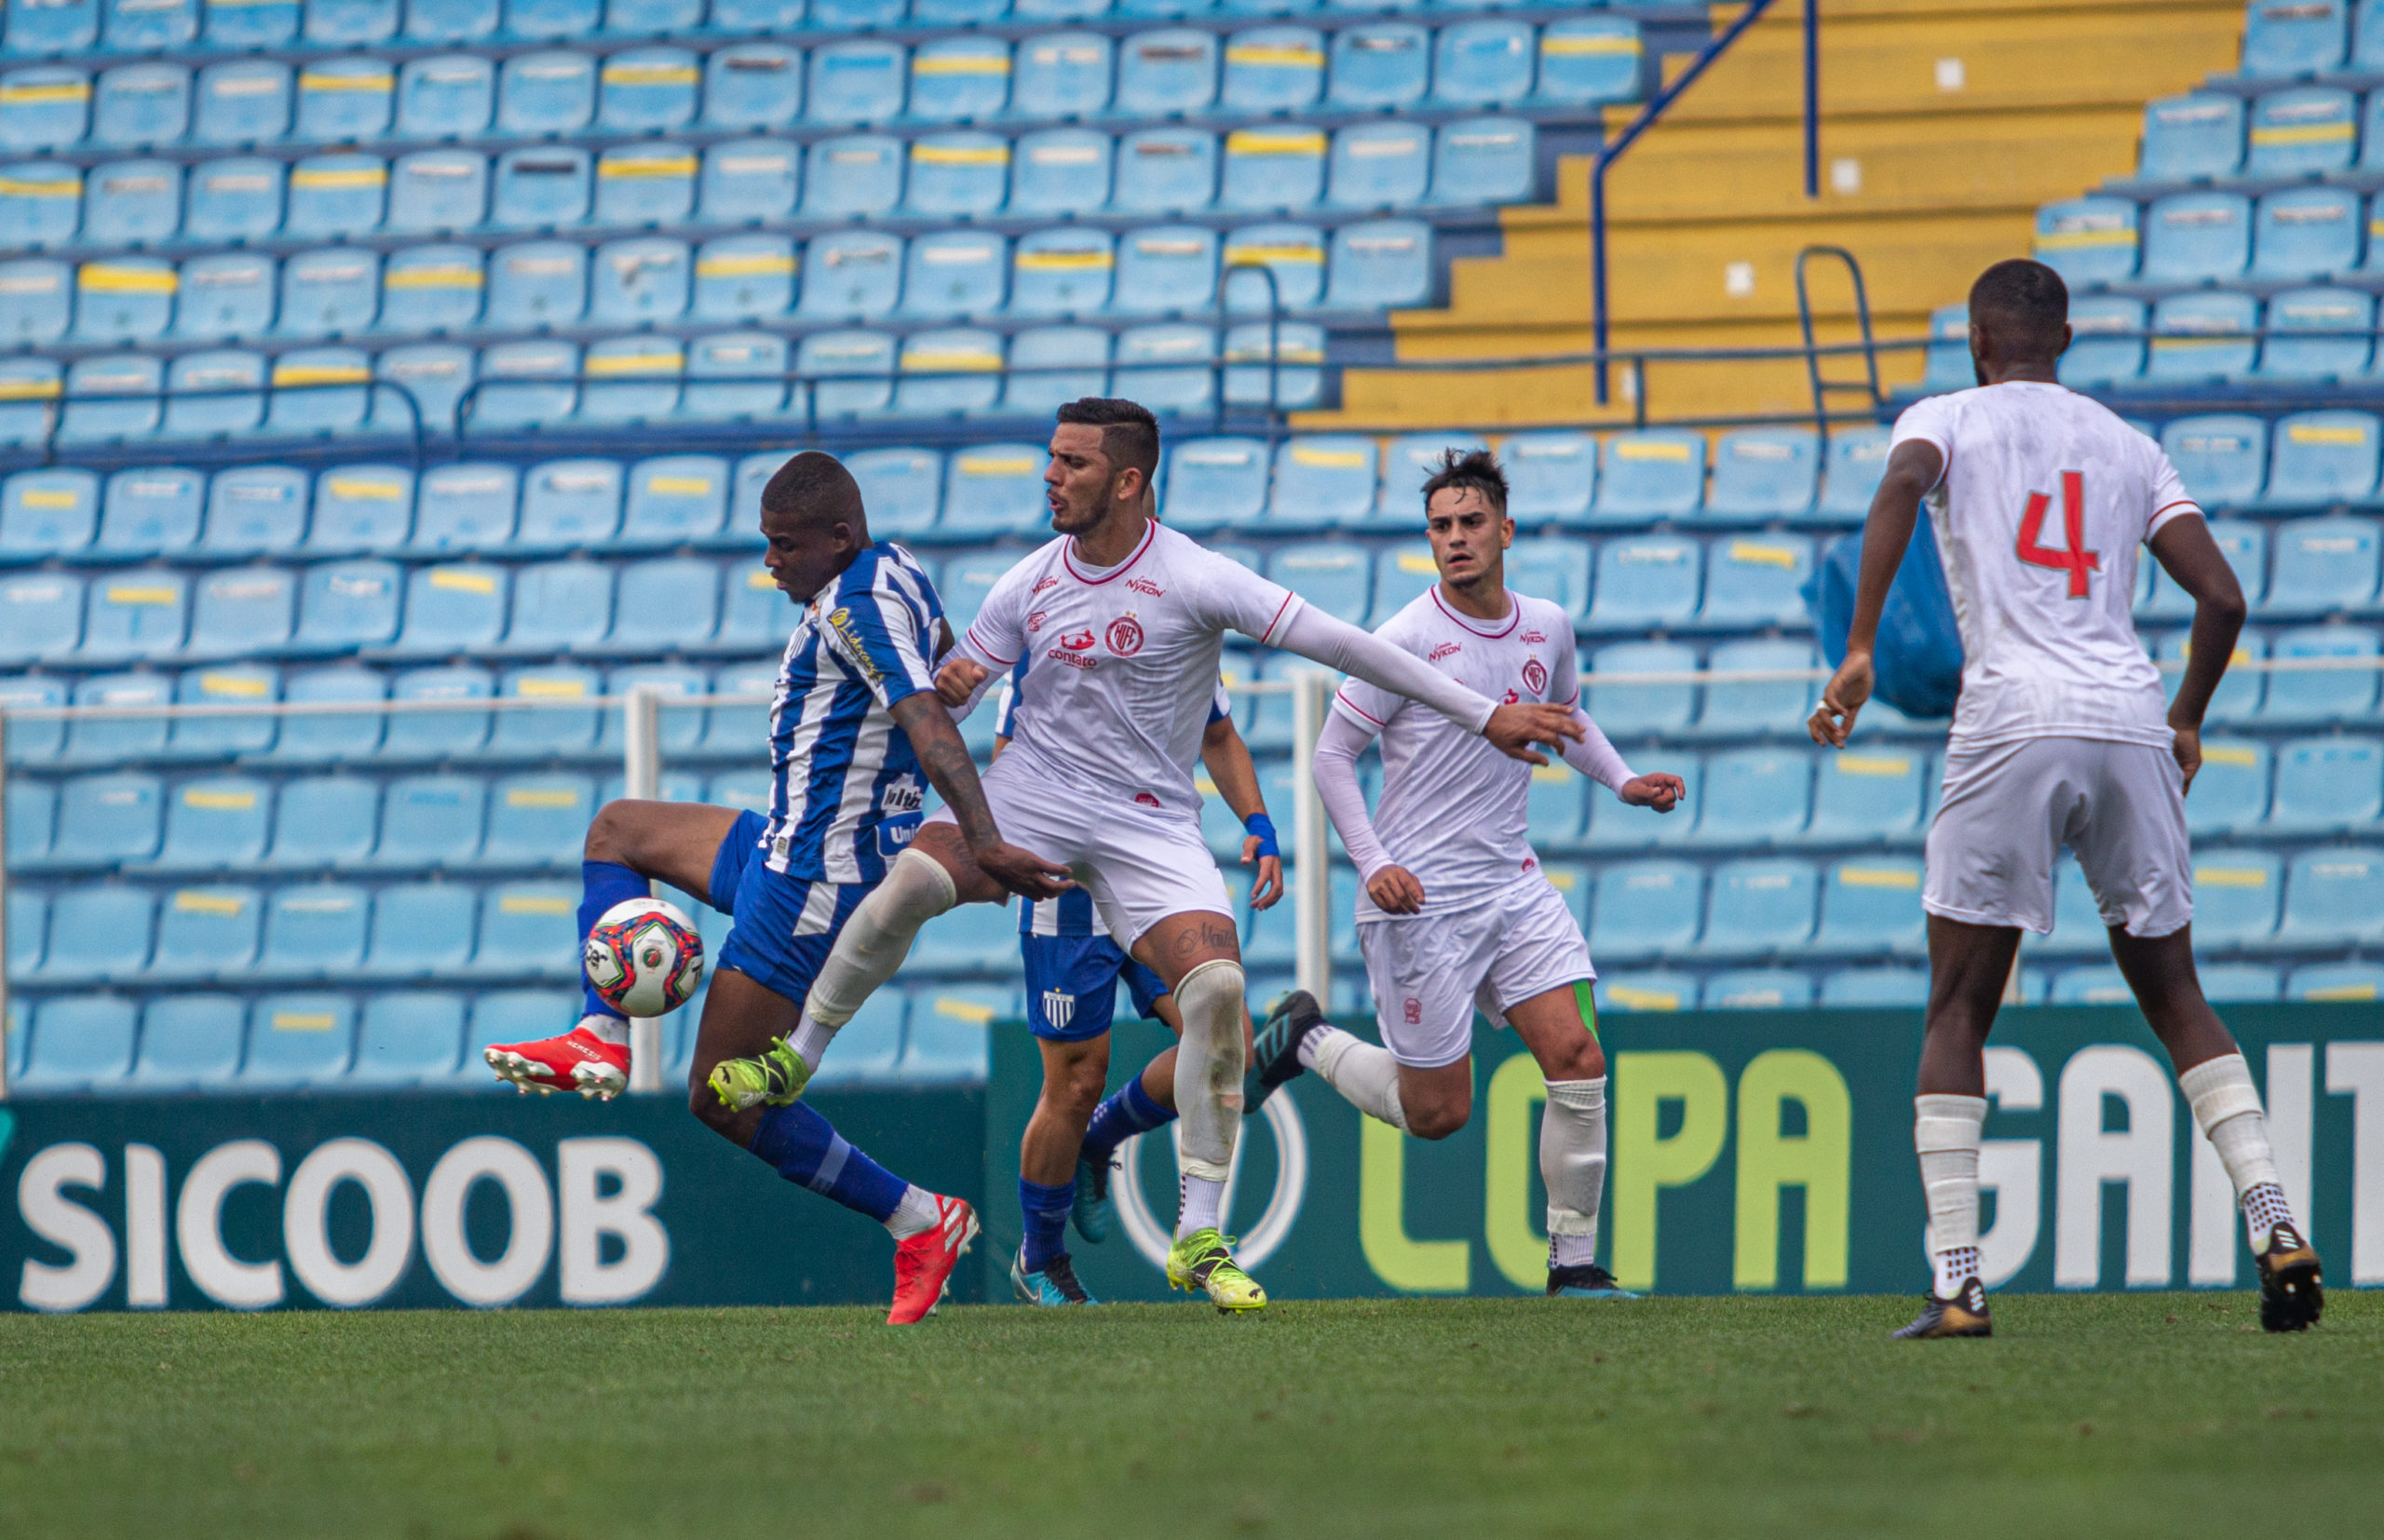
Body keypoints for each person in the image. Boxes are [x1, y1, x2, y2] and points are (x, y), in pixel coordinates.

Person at [704, 397, 1587, 1314]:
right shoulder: (1028, 582)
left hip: (1147, 823)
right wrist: (955, 679)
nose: (1051, 476)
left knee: (1217, 993)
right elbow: (953, 692)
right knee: (916, 885)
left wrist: (1483, 712)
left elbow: (1343, 644)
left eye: (1072, 464)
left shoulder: (1194, 576)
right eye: (1050, 459)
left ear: (1126, 481)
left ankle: (1199, 1236)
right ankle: (797, 1058)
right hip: (1035, 799)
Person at [1809, 258, 2323, 1338]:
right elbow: (2222, 594)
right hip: (2128, 717)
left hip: (2012, 715)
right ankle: (2273, 1219)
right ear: (2066, 338)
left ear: (1976, 341)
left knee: (1958, 1005)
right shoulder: (2129, 447)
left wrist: (1858, 647)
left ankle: (1958, 1280)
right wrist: (2185, 717)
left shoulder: (1946, 416)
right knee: (2177, 993)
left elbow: (1899, 486)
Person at [483, 450, 1071, 1326]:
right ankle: (603, 1034)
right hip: (781, 842)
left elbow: (927, 722)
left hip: (812, 885)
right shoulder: (898, 568)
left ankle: (921, 1219)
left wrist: (982, 835)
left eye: (784, 545)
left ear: (838, 538)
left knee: (718, 1095)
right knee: (617, 831)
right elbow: (944, 671)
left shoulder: (859, 608)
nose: (770, 563)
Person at [1239, 448, 1683, 1300]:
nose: (1455, 538)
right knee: (1439, 1115)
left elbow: (1567, 715)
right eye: (1440, 526)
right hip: (1421, 902)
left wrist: (1623, 779)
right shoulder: (1405, 640)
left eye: (1471, 522)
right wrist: (1374, 865)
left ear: (1505, 530)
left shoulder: (1545, 624)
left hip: (1514, 884)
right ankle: (1304, 1040)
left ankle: (1574, 1267)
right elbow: (1332, 759)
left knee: (1579, 1055)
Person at [995, 669, 1282, 1306]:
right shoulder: (1051, 630)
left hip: (1155, 880)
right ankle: (1038, 1258)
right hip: (1068, 894)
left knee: (1225, 1037)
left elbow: (1221, 733)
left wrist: (1259, 822)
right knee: (1074, 1080)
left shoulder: (1179, 626)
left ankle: (1101, 1136)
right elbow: (1007, 758)